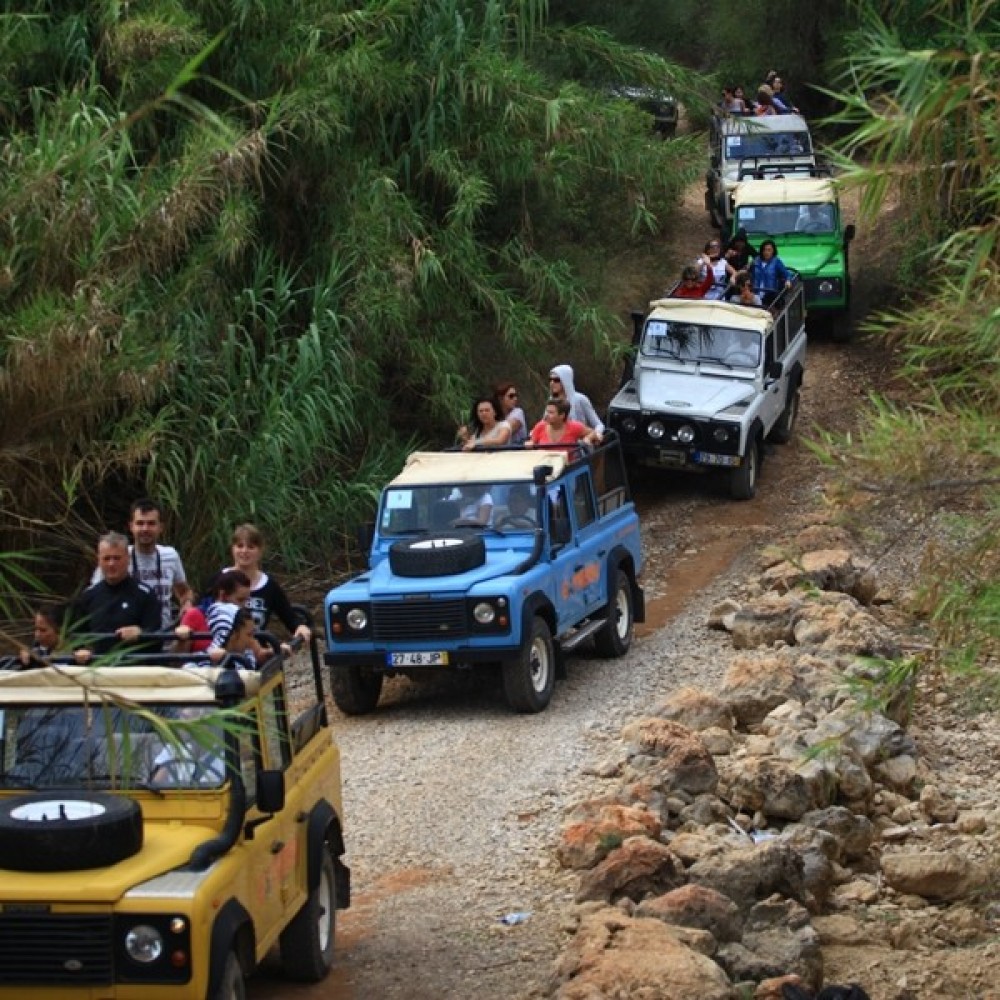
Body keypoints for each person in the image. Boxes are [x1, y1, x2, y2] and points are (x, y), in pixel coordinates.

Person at [90, 499, 193, 631]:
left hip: (164, 633)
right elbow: (95, 595)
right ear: (131, 526)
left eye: (151, 524)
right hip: (126, 636)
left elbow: (184, 591)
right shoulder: (117, 557)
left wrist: (187, 604)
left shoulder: (171, 556)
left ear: (160, 527)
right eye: (140, 523)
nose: (145, 529)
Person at [69, 532, 163, 657]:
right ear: (99, 560)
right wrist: (80, 651)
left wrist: (140, 633)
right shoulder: (88, 596)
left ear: (127, 559)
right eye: (106, 558)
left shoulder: (145, 595)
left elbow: (157, 639)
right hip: (98, 667)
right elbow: (75, 637)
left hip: (136, 668)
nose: (111, 564)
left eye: (116, 558)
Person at [226, 523, 311, 642]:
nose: (244, 551)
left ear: (260, 551)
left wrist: (299, 626)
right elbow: (202, 612)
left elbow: (288, 616)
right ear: (232, 548)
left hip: (257, 651)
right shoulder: (219, 580)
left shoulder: (269, 586)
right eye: (240, 546)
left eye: (250, 547)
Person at [546, 365, 605, 440]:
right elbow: (545, 422)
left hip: (578, 445)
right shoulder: (551, 400)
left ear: (565, 380)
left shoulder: (580, 399)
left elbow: (599, 424)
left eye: (556, 380)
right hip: (555, 443)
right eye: (550, 379)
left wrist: (595, 435)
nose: (552, 383)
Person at [526, 398, 601, 449]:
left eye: (551, 412)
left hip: (567, 467)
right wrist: (530, 443)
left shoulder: (574, 426)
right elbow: (532, 441)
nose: (546, 415)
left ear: (562, 415)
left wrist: (588, 438)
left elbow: (593, 433)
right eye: (547, 412)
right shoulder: (540, 426)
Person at [749, 239, 793, 305]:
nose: (766, 252)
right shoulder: (756, 261)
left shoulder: (776, 262)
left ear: (773, 251)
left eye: (769, 250)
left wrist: (788, 280)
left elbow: (787, 274)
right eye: (765, 250)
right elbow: (748, 272)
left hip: (770, 295)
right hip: (755, 293)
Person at [495, 381, 528, 445]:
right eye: (511, 396)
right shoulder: (496, 415)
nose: (515, 398)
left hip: (516, 452)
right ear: (500, 398)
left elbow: (502, 434)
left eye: (516, 395)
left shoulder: (518, 413)